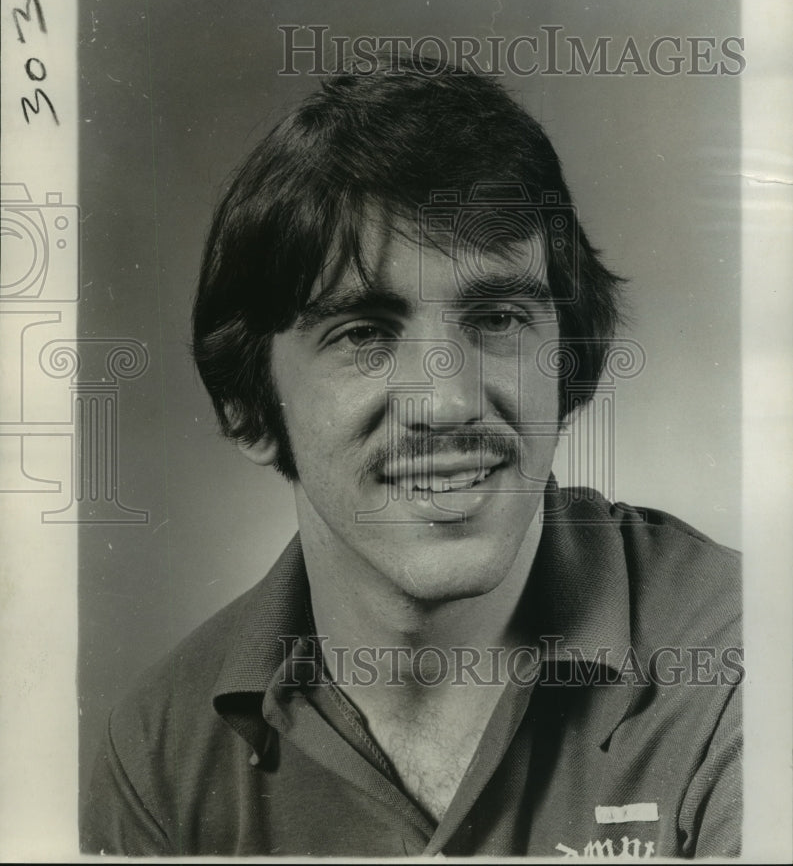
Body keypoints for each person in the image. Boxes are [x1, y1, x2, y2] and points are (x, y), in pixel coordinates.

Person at [80, 52, 742, 858]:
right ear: (253, 410)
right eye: (363, 333)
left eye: (497, 317)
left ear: (566, 362)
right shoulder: (160, 758)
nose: (448, 402)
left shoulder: (740, 660)